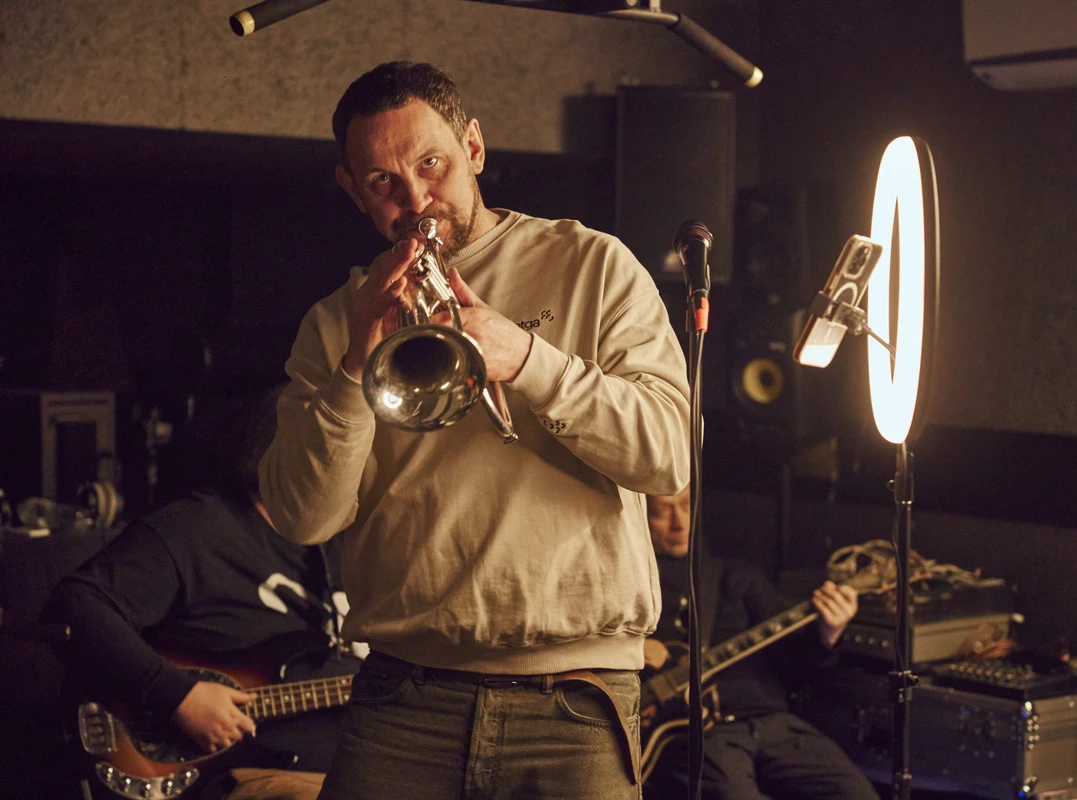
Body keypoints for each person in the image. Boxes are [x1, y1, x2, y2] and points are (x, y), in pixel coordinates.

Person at [257, 61, 689, 799]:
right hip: (401, 701)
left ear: (475, 148)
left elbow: (670, 458)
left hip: (575, 700)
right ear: (351, 188)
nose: (415, 200)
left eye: (432, 164)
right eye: (383, 181)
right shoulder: (333, 322)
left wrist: (527, 358)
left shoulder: (592, 263)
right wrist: (355, 367)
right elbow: (303, 516)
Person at [45, 387, 359, 800]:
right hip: (242, 777)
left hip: (343, 762)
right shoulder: (199, 528)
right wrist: (177, 696)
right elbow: (75, 607)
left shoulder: (340, 544)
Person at [643, 486, 878, 800]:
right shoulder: (632, 590)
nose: (680, 522)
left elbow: (793, 660)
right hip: (700, 735)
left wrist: (828, 632)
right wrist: (634, 649)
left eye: (686, 506)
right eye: (662, 511)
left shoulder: (736, 577)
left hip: (772, 722)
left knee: (856, 793)